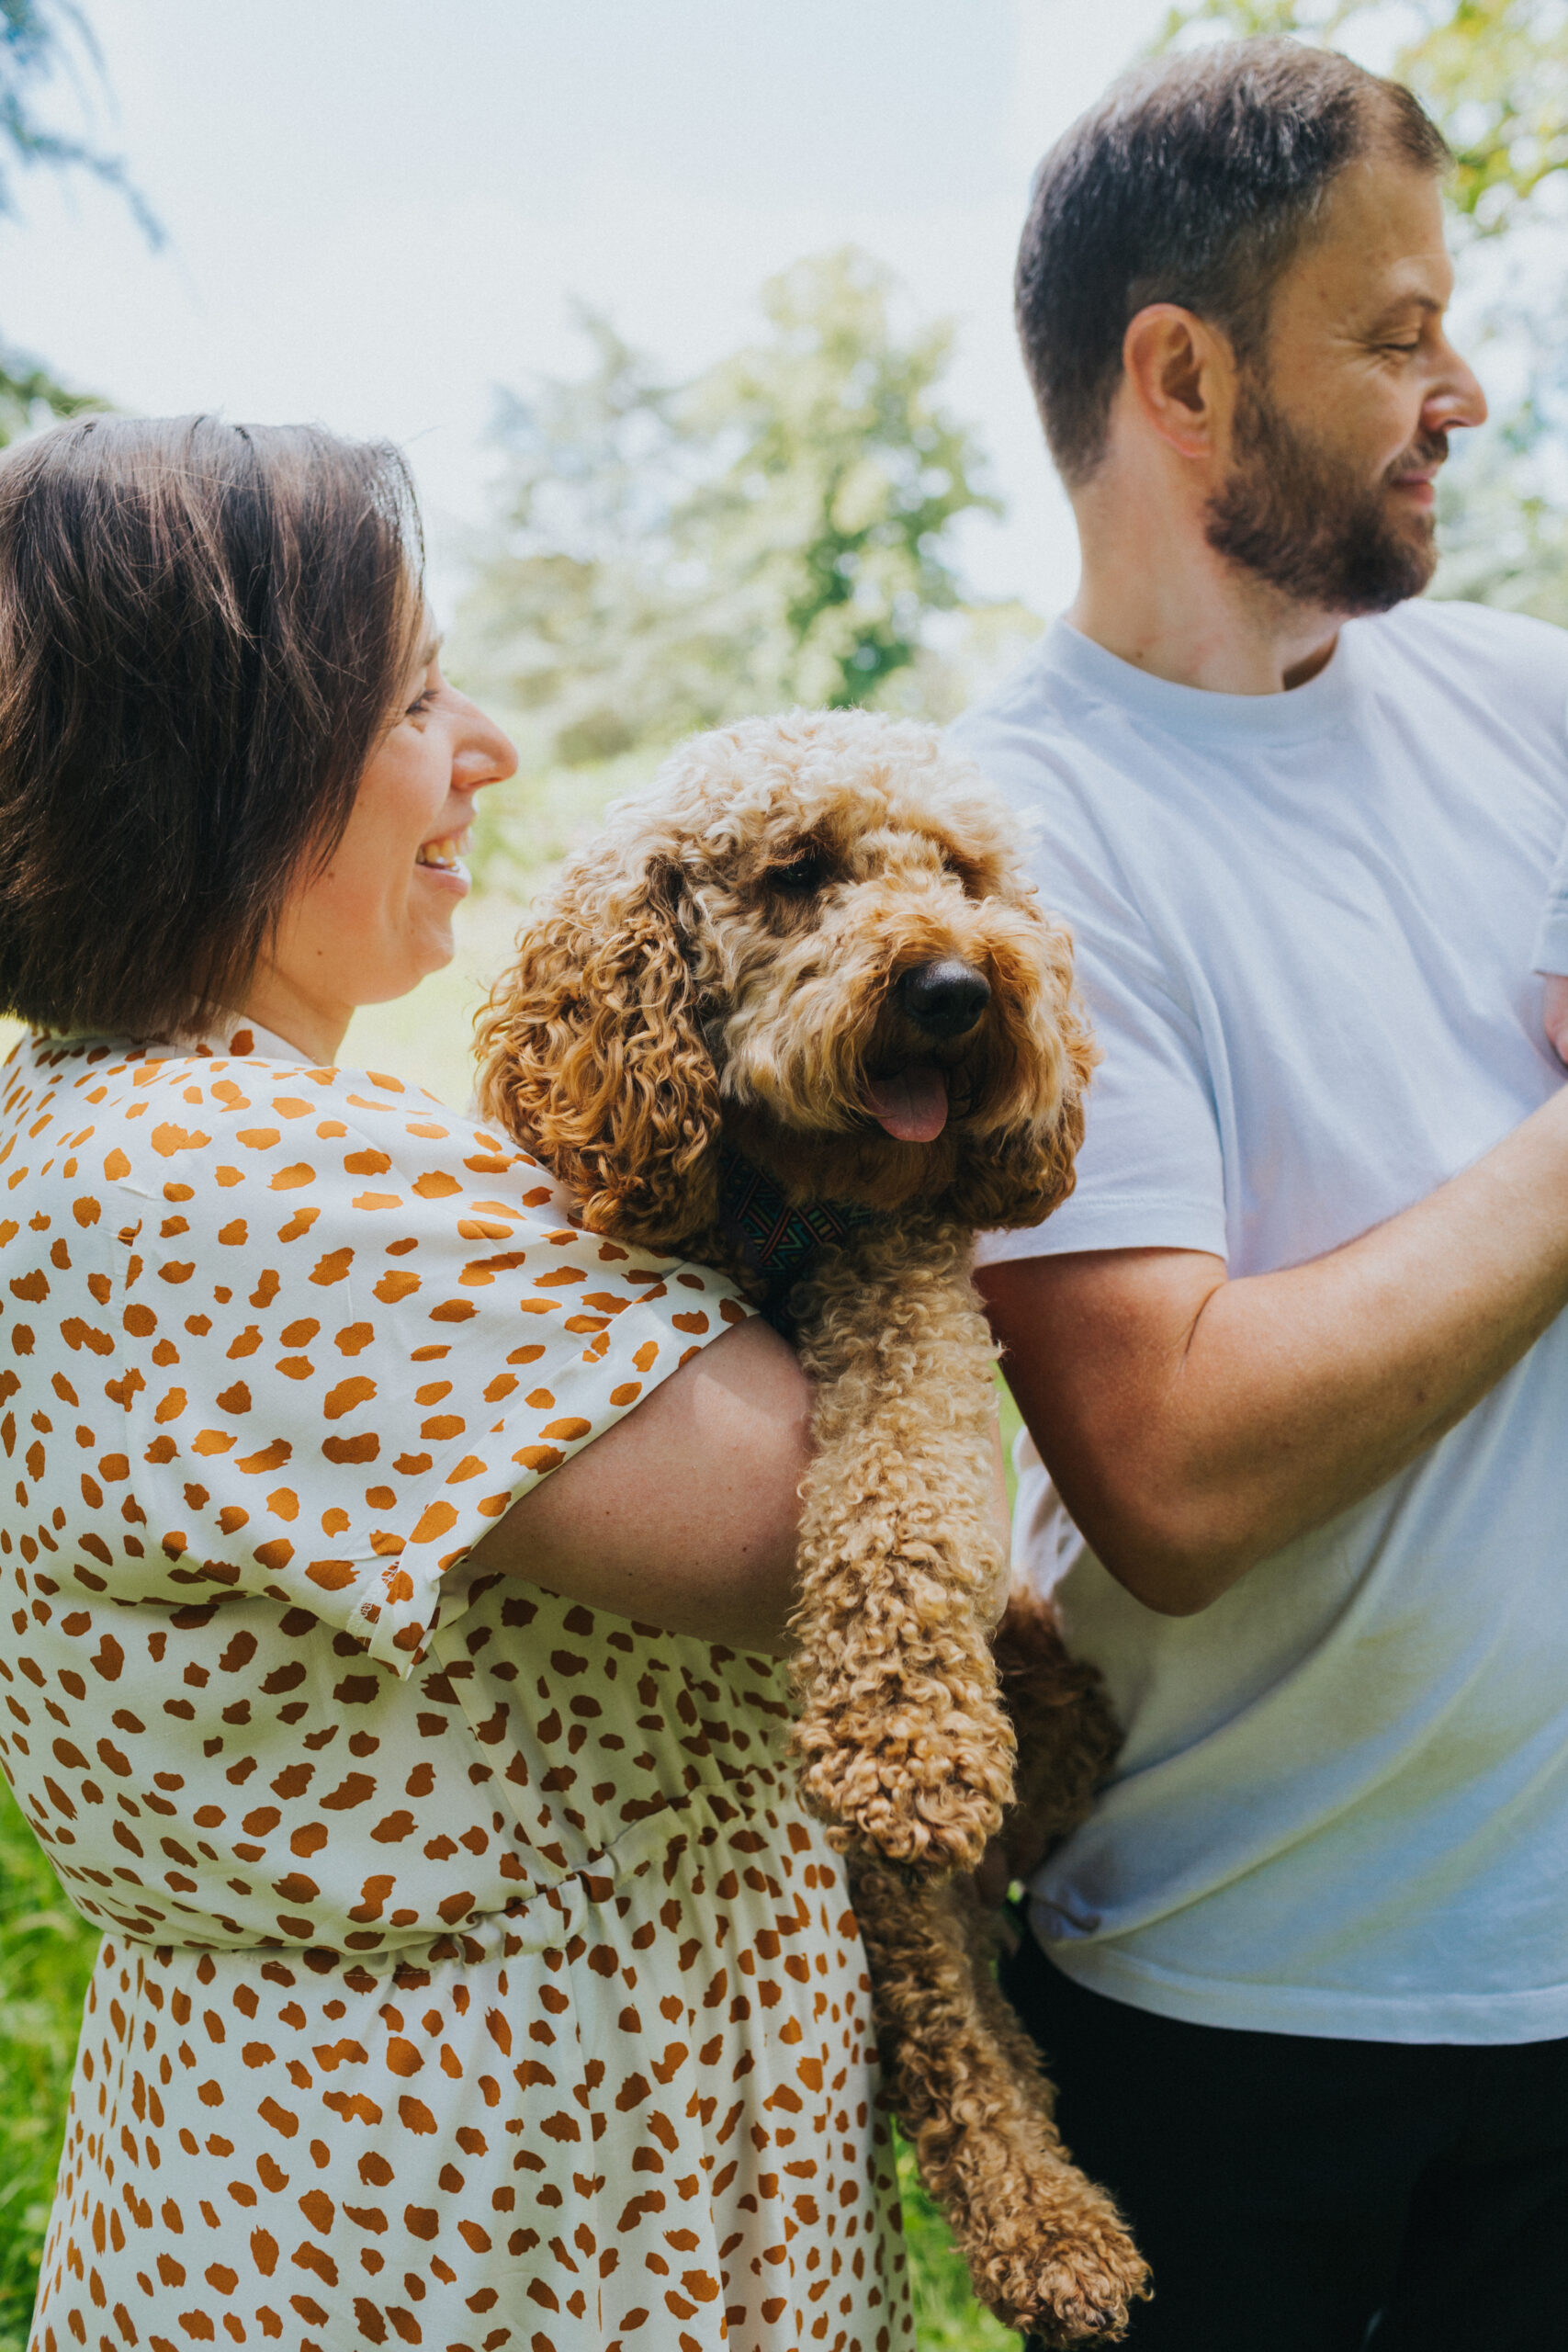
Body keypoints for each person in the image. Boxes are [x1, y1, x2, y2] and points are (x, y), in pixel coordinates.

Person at [0, 415, 911, 2352]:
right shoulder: (241, 1184)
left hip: (299, 2180)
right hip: (488, 2226)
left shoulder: (86, 1130)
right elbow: (847, 1525)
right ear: (222, 767)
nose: (486, 748)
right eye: (415, 698)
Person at [949, 39, 1568, 2352]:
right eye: (1393, 335)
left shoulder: (1536, 709)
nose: (1466, 391)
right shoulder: (1002, 849)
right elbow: (1176, 1466)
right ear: (1180, 375)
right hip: (1224, 2019)